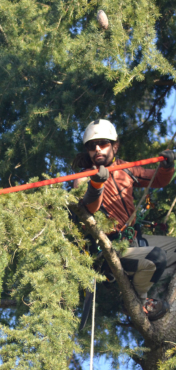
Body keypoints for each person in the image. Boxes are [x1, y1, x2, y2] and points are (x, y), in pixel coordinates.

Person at [73, 119, 176, 321]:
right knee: (156, 258)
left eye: (103, 143)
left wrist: (167, 166)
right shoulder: (84, 177)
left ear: (115, 146)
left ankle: (154, 285)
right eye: (91, 146)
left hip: (134, 240)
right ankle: (141, 301)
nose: (97, 149)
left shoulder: (126, 169)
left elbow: (159, 180)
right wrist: (96, 185)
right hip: (111, 249)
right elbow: (89, 208)